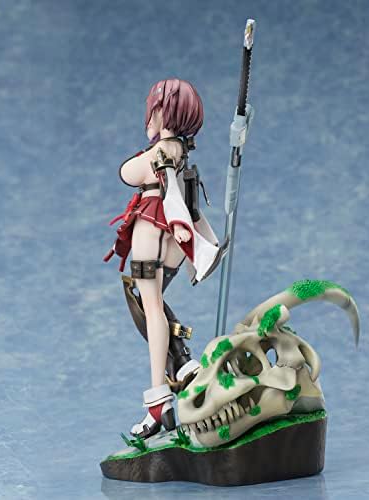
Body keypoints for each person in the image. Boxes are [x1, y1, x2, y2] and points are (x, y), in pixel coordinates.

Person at [104, 78, 228, 439]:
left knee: (151, 307)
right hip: (171, 240)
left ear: (163, 111)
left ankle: (158, 400)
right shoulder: (180, 151)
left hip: (153, 233)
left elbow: (130, 173)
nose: (149, 115)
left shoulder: (161, 152)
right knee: (150, 303)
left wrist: (179, 224)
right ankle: (183, 361)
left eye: (154, 109)